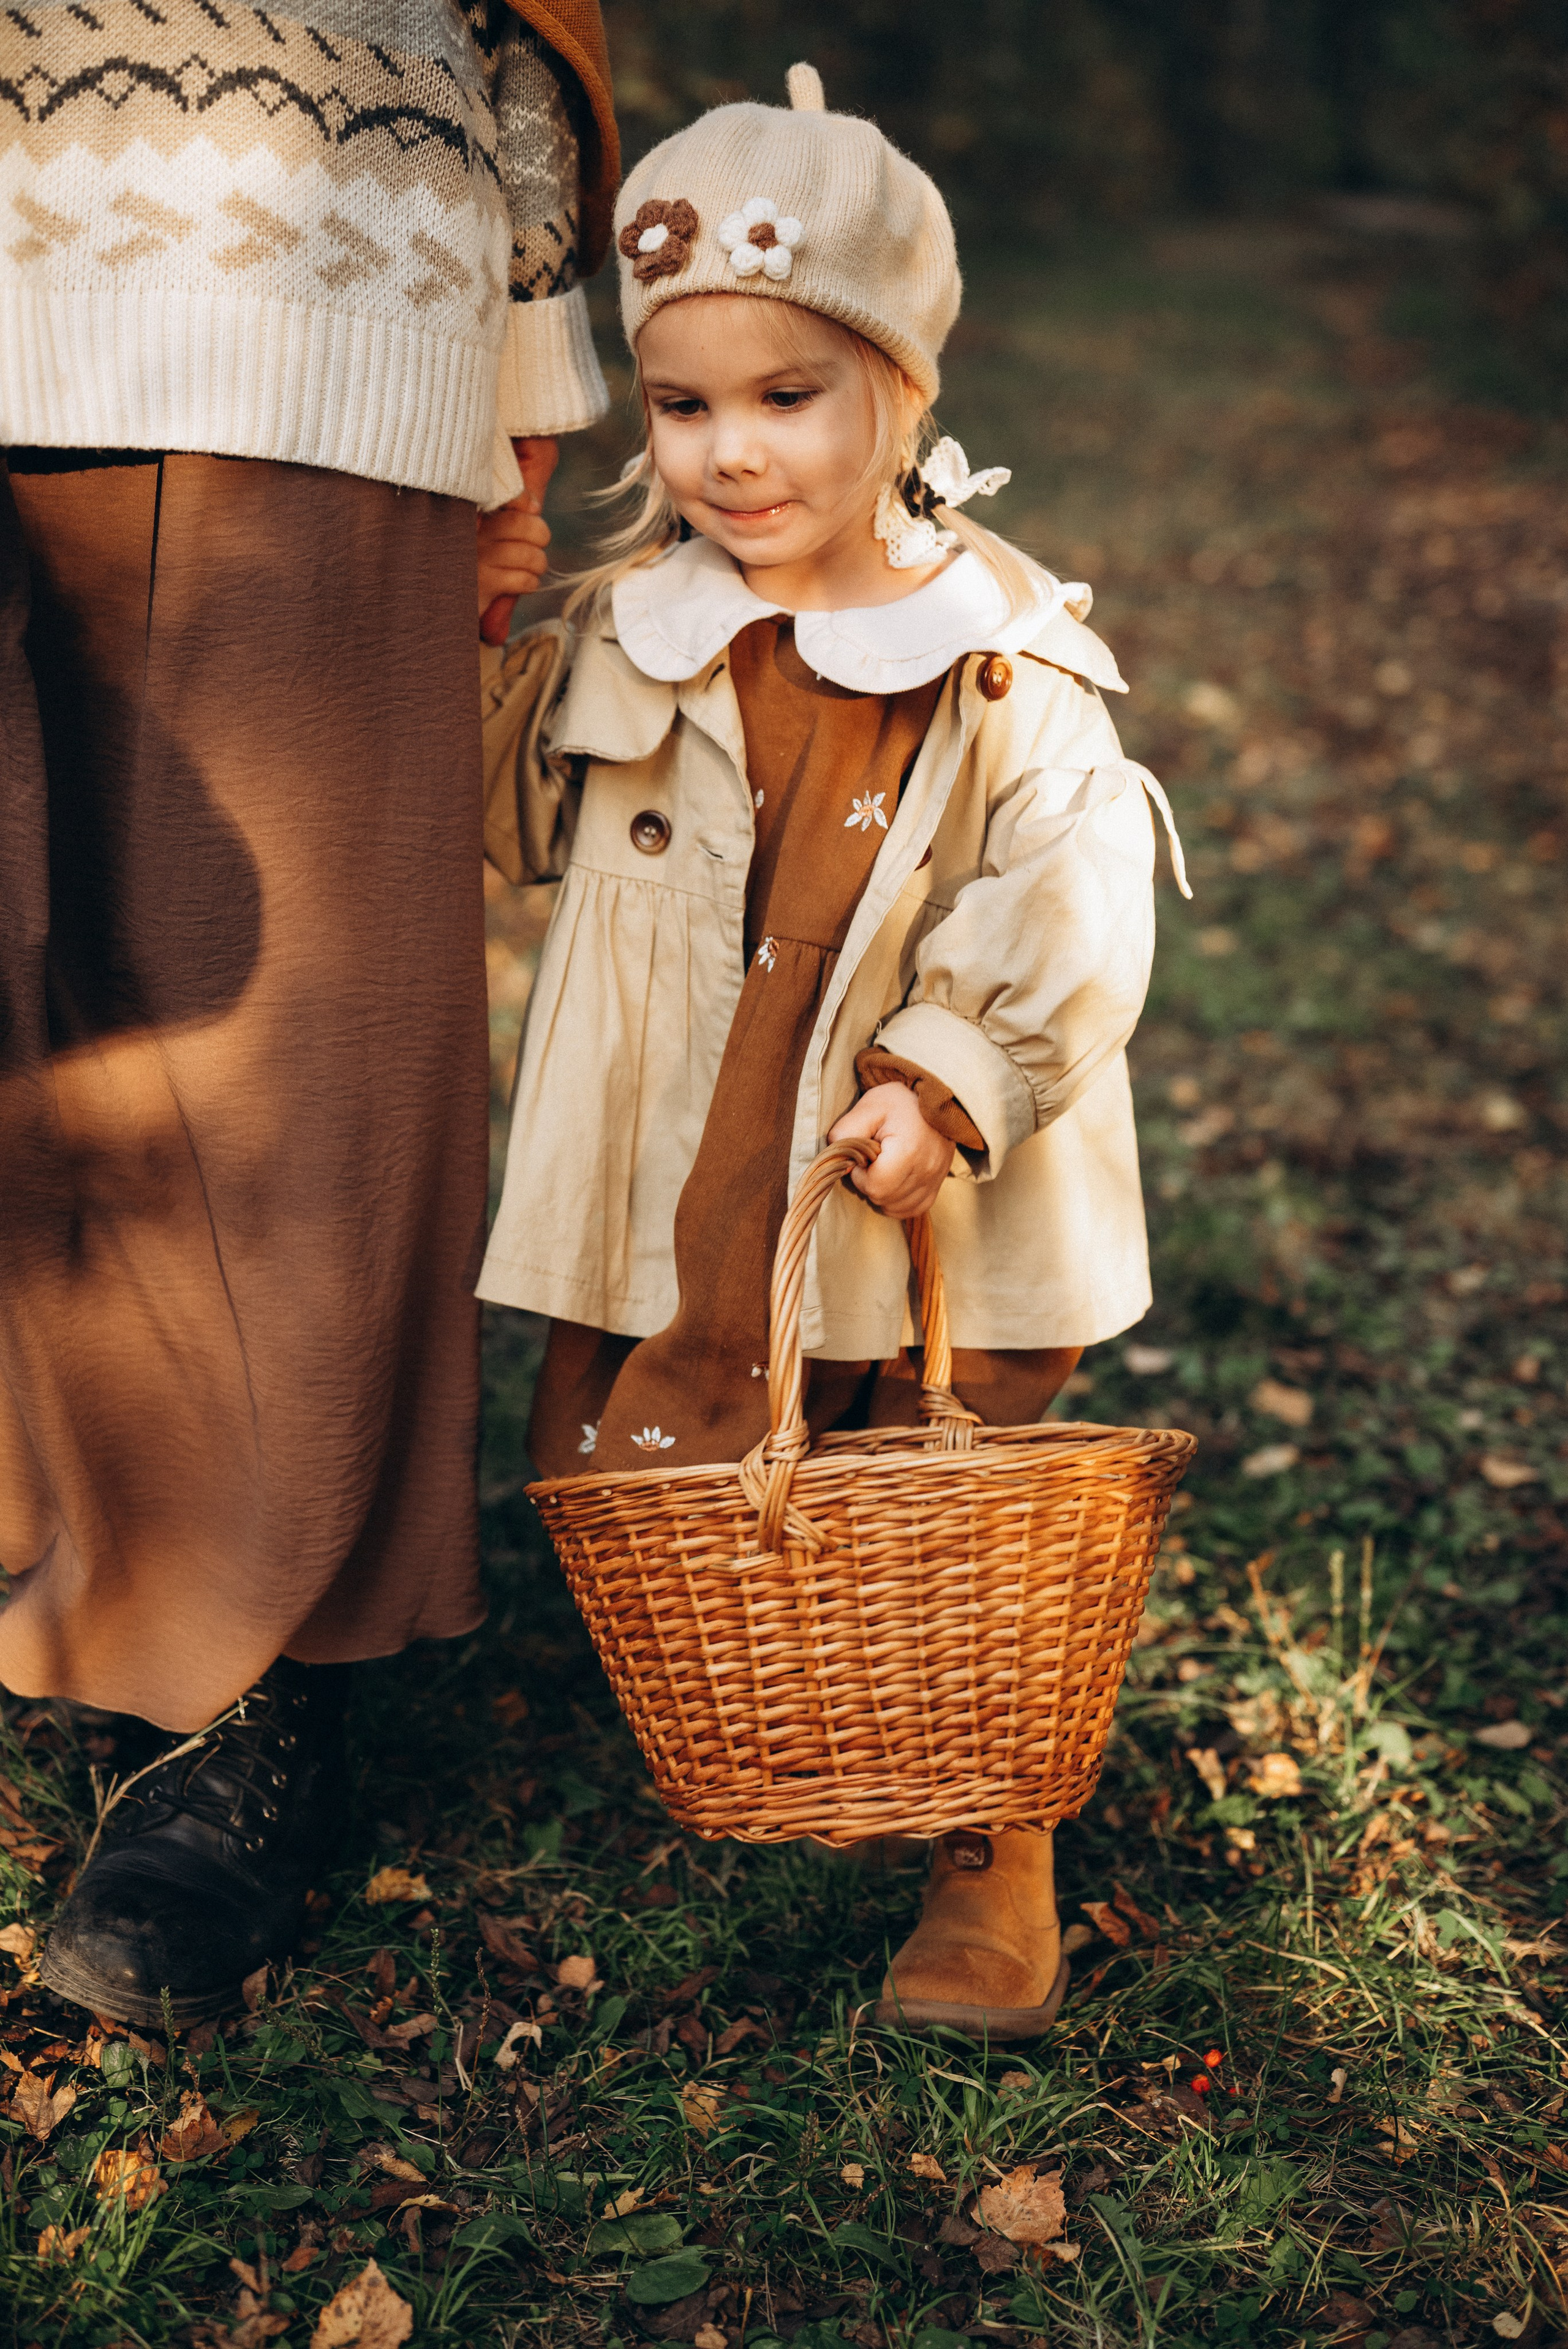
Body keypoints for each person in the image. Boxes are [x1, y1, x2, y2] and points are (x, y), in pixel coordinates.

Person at [477, 64, 1188, 2038]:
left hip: (909, 1156)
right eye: (683, 403)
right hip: (692, 1148)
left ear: (901, 389)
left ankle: (989, 1831)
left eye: (787, 397)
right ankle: (772, 1707)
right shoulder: (636, 631)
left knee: (941, 1483)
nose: (726, 452)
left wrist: (953, 1065)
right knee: (692, 1455)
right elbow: (503, 811)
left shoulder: (1004, 646)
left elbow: (1081, 877)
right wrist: (458, 634)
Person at [0, 0, 617, 2026]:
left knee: (280, 1045)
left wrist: (521, 389)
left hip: (302, 294)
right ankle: (53, 1552)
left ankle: (251, 1687)